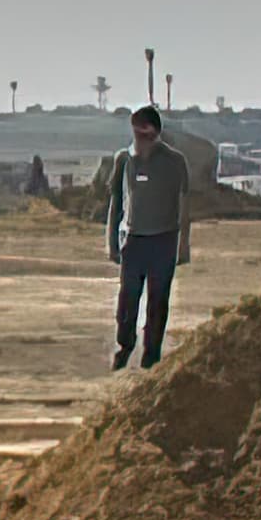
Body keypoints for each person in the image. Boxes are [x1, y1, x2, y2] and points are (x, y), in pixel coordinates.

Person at [104, 104, 195, 370]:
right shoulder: (123, 159)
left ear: (156, 134)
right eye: (137, 134)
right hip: (133, 240)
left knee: (158, 302)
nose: (141, 140)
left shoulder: (175, 162)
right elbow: (116, 202)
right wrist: (112, 242)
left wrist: (183, 245)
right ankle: (124, 346)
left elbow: (184, 204)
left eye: (146, 135)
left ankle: (151, 356)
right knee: (128, 300)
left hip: (164, 240)